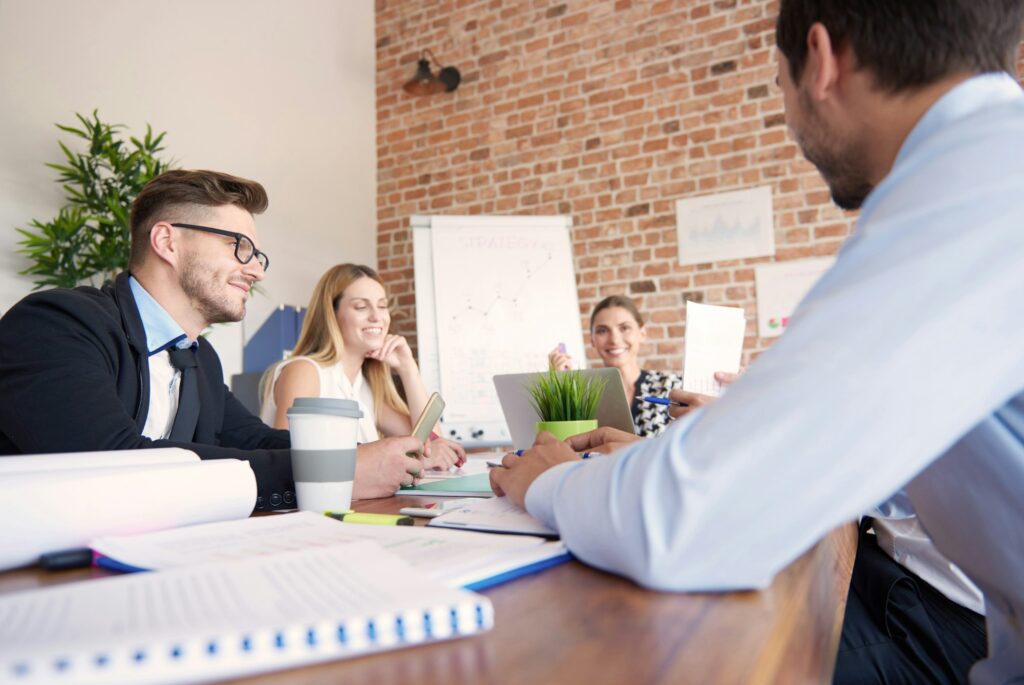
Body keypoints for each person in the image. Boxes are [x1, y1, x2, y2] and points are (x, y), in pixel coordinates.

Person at [493, 2, 1024, 683]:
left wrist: (551, 480)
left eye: (777, 85)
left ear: (821, 60)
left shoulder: (967, 195)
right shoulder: (987, 167)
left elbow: (685, 519)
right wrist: (731, 437)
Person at [0, 169, 430, 508]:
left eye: (257, 255)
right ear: (167, 241)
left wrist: (375, 454)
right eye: (238, 246)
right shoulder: (57, 324)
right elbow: (113, 467)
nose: (257, 271)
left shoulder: (199, 356)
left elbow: (256, 440)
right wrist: (334, 469)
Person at [260, 263, 463, 468]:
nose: (377, 317)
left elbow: (431, 443)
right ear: (332, 314)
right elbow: (287, 460)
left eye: (382, 306)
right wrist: (421, 460)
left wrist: (408, 369)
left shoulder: (363, 386)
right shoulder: (305, 371)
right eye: (361, 306)